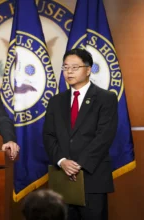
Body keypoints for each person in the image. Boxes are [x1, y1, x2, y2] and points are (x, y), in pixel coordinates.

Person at [43, 48, 118, 220]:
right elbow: (48, 136)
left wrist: (78, 165)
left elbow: (104, 136)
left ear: (88, 69)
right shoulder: (56, 101)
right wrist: (62, 161)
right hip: (62, 178)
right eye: (65, 67)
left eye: (74, 67)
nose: (69, 72)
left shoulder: (106, 98)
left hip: (92, 178)